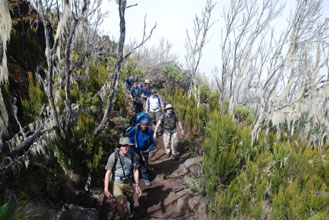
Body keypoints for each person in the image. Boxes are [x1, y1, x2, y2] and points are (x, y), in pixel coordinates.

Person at [104, 137, 142, 220]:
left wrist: (137, 184)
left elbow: (135, 170)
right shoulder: (113, 156)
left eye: (127, 146)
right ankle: (122, 217)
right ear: (120, 147)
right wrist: (106, 190)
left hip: (128, 181)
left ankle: (131, 206)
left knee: (131, 199)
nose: (125, 148)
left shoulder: (132, 155)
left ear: (129, 146)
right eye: (123, 146)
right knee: (120, 202)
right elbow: (108, 174)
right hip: (116, 181)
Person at [128, 115, 154, 186]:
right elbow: (130, 141)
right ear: (139, 123)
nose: (144, 126)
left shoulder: (150, 131)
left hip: (144, 151)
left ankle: (145, 177)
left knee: (144, 164)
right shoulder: (134, 130)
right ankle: (133, 178)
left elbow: (152, 141)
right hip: (135, 150)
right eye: (143, 124)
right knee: (134, 164)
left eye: (146, 125)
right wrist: (133, 152)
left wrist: (149, 149)